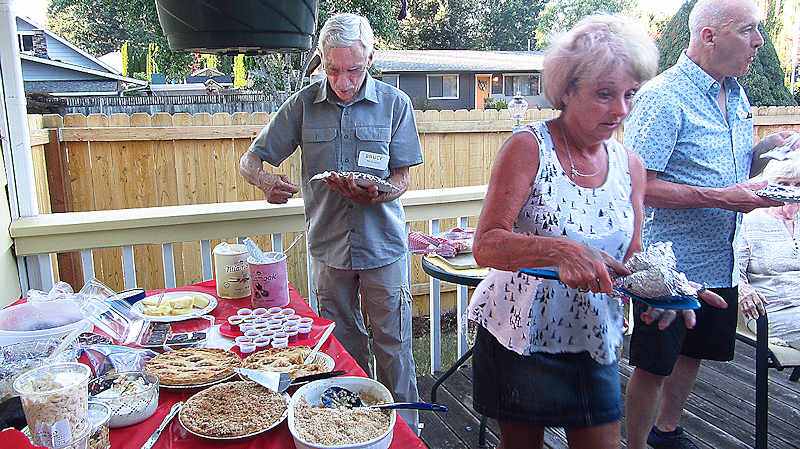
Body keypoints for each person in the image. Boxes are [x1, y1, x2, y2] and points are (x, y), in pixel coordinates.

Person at [468, 14, 672, 449]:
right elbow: (485, 245)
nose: (621, 110)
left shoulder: (630, 166)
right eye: (604, 94)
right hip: (519, 335)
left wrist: (664, 293)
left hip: (593, 336)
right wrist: (560, 250)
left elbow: (631, 255)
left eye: (629, 95)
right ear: (566, 90)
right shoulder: (528, 147)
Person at [622, 1, 799, 448]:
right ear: (709, 36)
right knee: (654, 365)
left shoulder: (735, 92)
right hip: (669, 267)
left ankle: (668, 431)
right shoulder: (662, 97)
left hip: (722, 259)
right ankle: (637, 443)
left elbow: (725, 165)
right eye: (748, 31)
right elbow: (639, 186)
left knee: (693, 354)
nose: (760, 41)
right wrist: (722, 198)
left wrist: (766, 150)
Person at [239, 13, 423, 432]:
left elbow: (402, 179)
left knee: (393, 346)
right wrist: (265, 180)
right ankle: (349, 431)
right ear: (321, 60)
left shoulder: (396, 105)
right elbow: (249, 159)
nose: (343, 80)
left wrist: (379, 193)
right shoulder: (303, 105)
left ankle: (406, 434)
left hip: (383, 247)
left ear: (371, 59)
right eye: (333, 69)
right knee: (343, 347)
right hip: (328, 249)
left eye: (353, 69)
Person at [737, 160, 800, 350]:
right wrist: (742, 289)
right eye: (783, 184)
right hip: (771, 311)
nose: (792, 191)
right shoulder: (748, 222)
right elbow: (732, 271)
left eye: (798, 184)